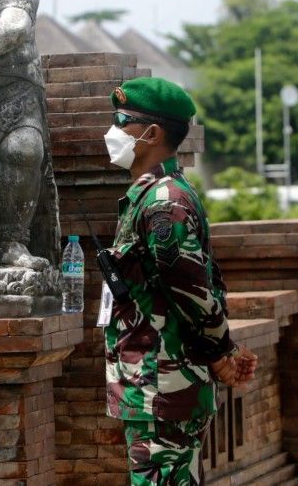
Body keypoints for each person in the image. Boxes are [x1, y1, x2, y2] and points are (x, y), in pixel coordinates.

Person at [99, 77, 257, 484]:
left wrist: (221, 351)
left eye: (121, 121)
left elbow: (192, 291)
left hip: (163, 384)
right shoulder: (154, 195)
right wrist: (222, 351)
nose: (112, 132)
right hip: (157, 385)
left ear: (151, 134)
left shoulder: (164, 202)